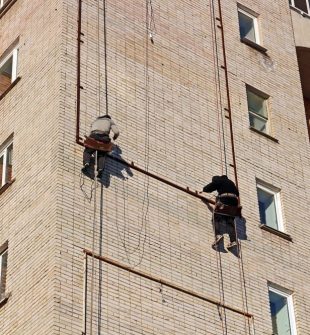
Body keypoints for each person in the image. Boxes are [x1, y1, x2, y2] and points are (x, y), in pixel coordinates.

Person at [202, 175, 239, 250]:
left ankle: (218, 235)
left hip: (225, 199)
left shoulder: (219, 180)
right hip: (234, 203)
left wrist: (204, 189)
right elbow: (237, 193)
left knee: (216, 218)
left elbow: (209, 187)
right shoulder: (231, 183)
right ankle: (233, 240)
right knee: (230, 222)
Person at [82, 115, 119, 179]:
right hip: (104, 139)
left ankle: (86, 163)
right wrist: (114, 137)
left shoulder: (95, 121)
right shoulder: (109, 121)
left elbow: (90, 132)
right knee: (102, 154)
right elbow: (116, 132)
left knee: (88, 151)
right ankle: (100, 169)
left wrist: (89, 140)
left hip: (93, 136)